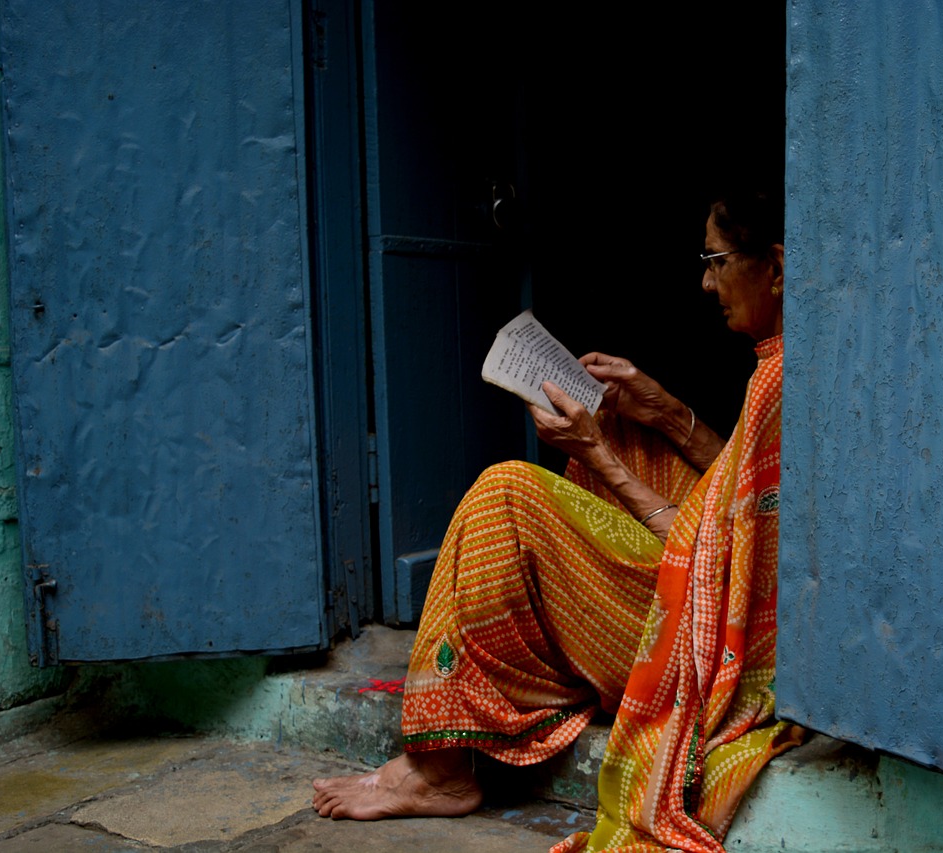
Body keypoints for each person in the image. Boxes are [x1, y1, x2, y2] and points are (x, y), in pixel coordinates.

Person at [312, 192, 802, 852]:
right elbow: (748, 490)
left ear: (775, 263)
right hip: (744, 590)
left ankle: (442, 770)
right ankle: (551, 666)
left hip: (721, 653)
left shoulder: (778, 378)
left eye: (716, 260)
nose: (705, 281)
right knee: (627, 435)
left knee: (505, 493)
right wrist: (665, 412)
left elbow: (718, 552)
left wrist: (593, 450)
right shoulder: (790, 356)